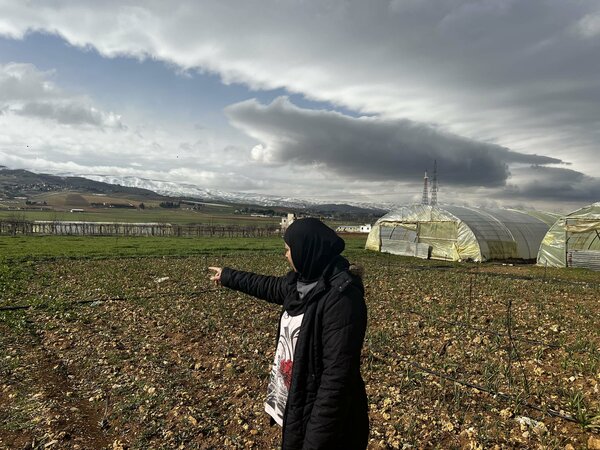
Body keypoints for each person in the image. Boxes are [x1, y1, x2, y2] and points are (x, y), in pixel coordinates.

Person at [209, 218, 368, 450]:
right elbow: (268, 286)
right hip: (299, 398)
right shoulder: (304, 283)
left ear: (306, 250)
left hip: (326, 419)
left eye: (288, 250)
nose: (285, 255)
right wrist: (228, 276)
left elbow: (336, 382)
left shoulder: (341, 300)